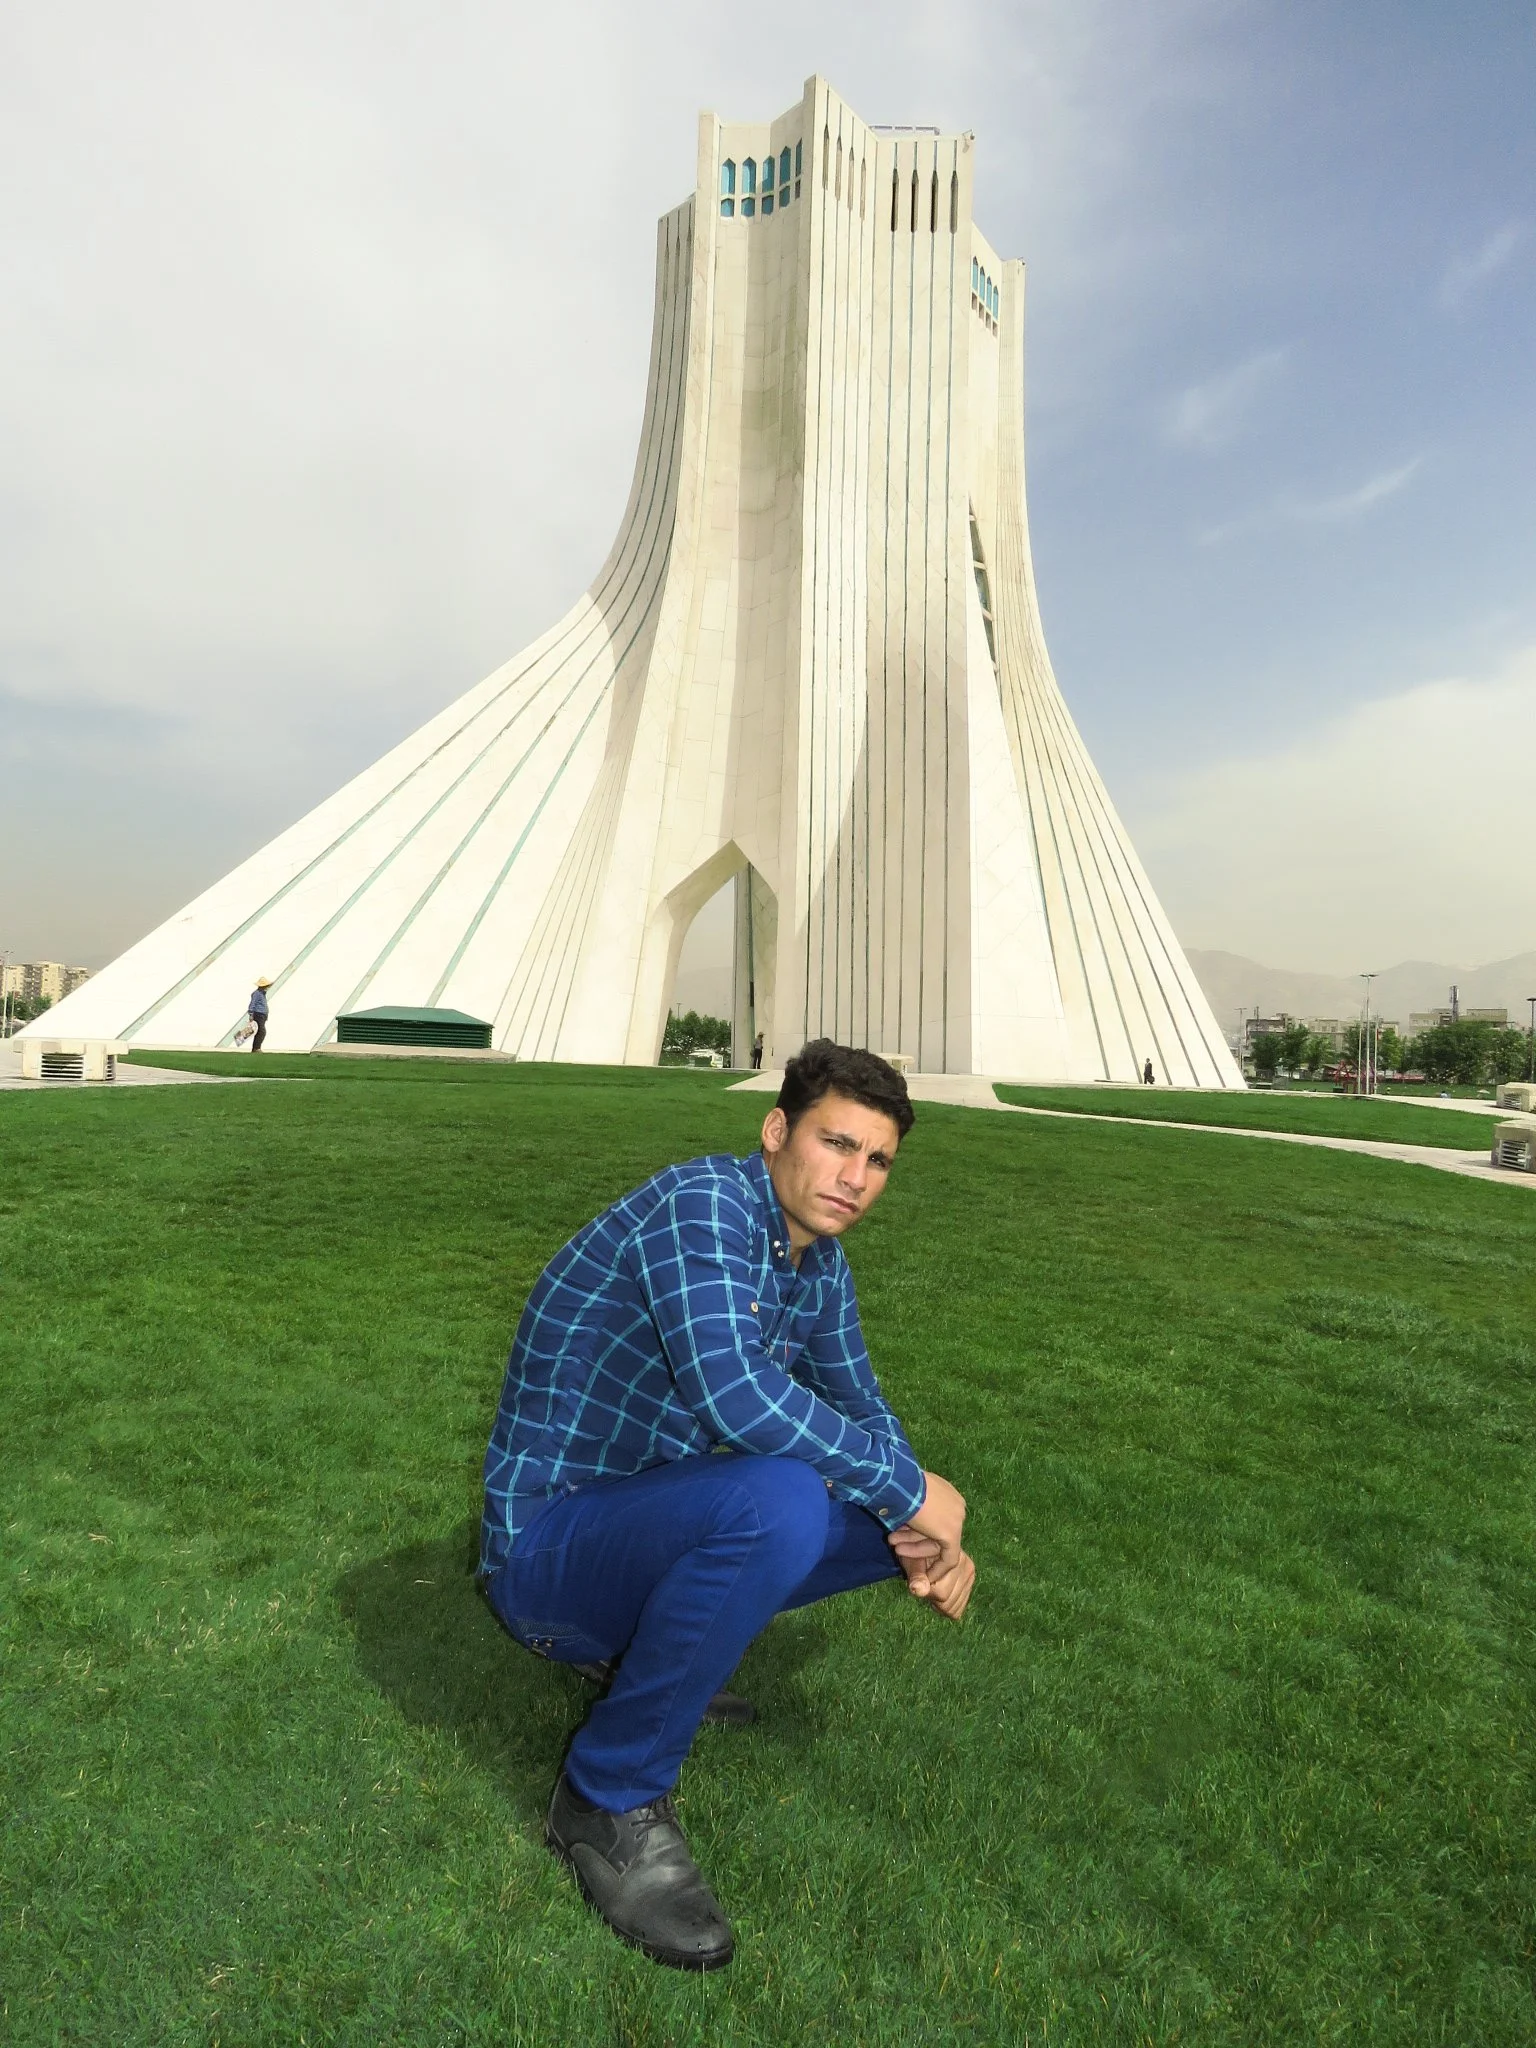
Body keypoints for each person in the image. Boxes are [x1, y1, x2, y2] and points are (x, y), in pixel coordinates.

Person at [479, 1040, 974, 1971]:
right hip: (546, 1557)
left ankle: (649, 1659)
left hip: (637, 1533)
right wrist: (913, 1492)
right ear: (777, 1129)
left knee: (879, 1508)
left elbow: (863, 1407)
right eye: (836, 1144)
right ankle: (605, 1795)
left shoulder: (816, 1263)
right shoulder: (702, 1203)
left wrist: (926, 1525)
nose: (855, 1179)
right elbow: (735, 1394)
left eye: (877, 1162)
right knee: (784, 1499)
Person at [247, 978, 272, 1053]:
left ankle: (256, 1048)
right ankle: (256, 1048)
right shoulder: (257, 993)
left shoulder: (262, 993)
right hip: (258, 1014)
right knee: (261, 1031)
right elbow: (252, 1004)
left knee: (259, 1032)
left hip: (262, 1015)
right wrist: (251, 1014)